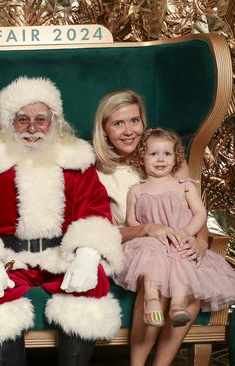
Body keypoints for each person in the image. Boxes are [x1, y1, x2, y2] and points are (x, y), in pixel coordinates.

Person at [0, 76, 123, 366]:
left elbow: (94, 208)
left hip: (61, 253)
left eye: (41, 119)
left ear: (54, 121)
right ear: (8, 122)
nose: (32, 128)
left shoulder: (75, 159)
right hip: (9, 256)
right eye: (22, 119)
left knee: (89, 288)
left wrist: (89, 252)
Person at [92, 90, 208, 366]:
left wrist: (201, 242)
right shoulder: (98, 173)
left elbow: (195, 211)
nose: (129, 131)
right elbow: (103, 231)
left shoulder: (166, 161)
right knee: (155, 276)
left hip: (178, 245)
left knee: (190, 281)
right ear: (105, 130)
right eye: (118, 124)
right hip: (132, 249)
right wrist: (147, 229)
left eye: (134, 121)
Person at [114, 127, 235, 331]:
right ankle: (151, 301)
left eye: (167, 154)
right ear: (142, 157)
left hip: (180, 238)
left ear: (176, 157)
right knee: (151, 264)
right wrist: (147, 230)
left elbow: (200, 213)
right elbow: (132, 221)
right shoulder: (136, 190)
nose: (161, 159)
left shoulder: (184, 185)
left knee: (182, 267)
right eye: (153, 154)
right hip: (154, 240)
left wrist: (187, 232)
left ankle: (178, 306)